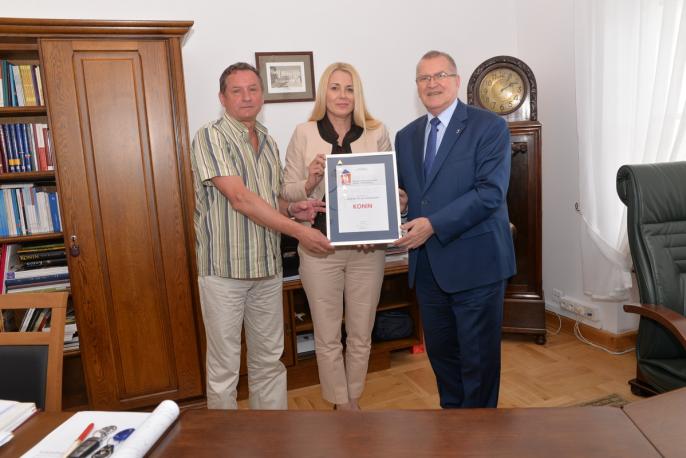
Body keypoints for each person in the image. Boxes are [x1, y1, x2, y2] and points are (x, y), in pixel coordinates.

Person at [191, 62, 333, 410]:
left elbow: (272, 202)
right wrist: (298, 231)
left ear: (262, 95)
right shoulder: (210, 136)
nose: (246, 97)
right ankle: (227, 439)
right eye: (236, 91)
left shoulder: (268, 141)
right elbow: (240, 199)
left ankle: (269, 436)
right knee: (224, 370)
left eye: (253, 89)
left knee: (269, 363)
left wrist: (294, 210)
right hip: (224, 272)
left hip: (267, 270)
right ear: (222, 98)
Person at [394, 51, 516, 408]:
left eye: (440, 75)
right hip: (428, 268)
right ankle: (453, 425)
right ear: (417, 86)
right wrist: (401, 203)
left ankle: (480, 431)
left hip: (477, 264)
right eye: (424, 78)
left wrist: (433, 224)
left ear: (457, 81)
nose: (432, 84)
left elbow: (490, 193)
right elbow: (415, 195)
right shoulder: (405, 137)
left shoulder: (489, 127)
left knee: (478, 361)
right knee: (442, 356)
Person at [282, 62, 392, 410]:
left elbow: (386, 188)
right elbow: (286, 193)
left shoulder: (377, 131)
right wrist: (310, 181)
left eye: (349, 88)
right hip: (319, 249)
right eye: (335, 88)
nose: (342, 95)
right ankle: (340, 403)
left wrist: (383, 219)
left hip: (367, 252)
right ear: (324, 93)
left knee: (361, 333)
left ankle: (352, 400)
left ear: (357, 94)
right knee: (328, 336)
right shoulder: (304, 132)